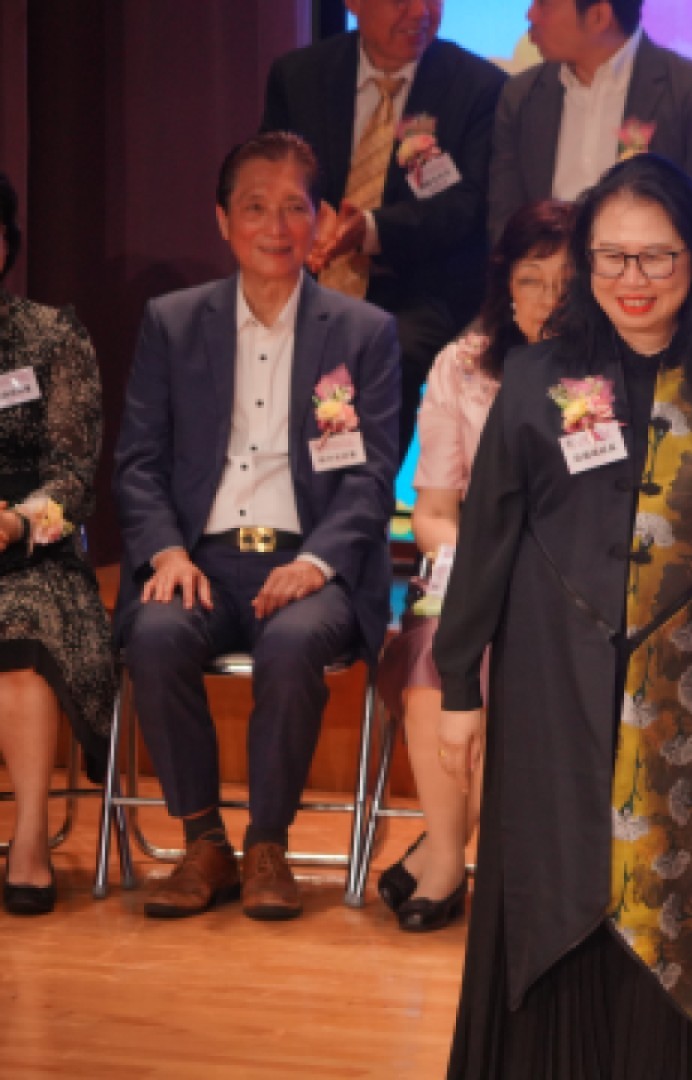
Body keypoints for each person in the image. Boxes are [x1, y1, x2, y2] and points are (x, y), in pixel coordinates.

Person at [433, 154, 692, 1078]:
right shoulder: (538, 377)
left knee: (667, 912)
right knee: (548, 888)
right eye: (612, 257)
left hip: (682, 699)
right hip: (547, 682)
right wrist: (460, 685)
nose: (634, 279)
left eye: (657, 256)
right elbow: (488, 536)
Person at [114, 132, 401, 921]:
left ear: (322, 221)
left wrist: (317, 562)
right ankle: (205, 843)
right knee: (155, 635)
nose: (275, 228)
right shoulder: (174, 322)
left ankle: (268, 843)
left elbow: (372, 475)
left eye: (293, 209)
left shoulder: (363, 331)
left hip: (310, 564)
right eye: (254, 208)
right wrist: (167, 553)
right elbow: (138, 461)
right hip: (199, 558)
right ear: (222, 220)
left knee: (292, 642)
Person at [370, 199, 572, 934]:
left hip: (567, 581)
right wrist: (476, 570)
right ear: (504, 283)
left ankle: (438, 847)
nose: (547, 300)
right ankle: (449, 863)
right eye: (531, 280)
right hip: (474, 570)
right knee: (437, 645)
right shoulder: (463, 364)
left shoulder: (606, 371)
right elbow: (432, 511)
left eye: (566, 283)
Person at [262, 0, 507, 458]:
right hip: (310, 278)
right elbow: (270, 177)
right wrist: (307, 219)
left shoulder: (479, 86)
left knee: (387, 351)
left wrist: (370, 230)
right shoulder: (300, 76)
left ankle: (362, 490)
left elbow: (467, 206)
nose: (420, 12)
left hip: (419, 289)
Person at [0, 172, 114, 917]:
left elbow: (73, 473)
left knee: (24, 629)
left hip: (32, 553)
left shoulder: (50, 337)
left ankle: (31, 842)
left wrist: (17, 520)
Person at [490, 0, 692, 239]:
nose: (530, 15)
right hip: (547, 262)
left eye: (544, 4)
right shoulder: (521, 96)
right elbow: (506, 221)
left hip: (648, 264)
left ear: (598, 17)